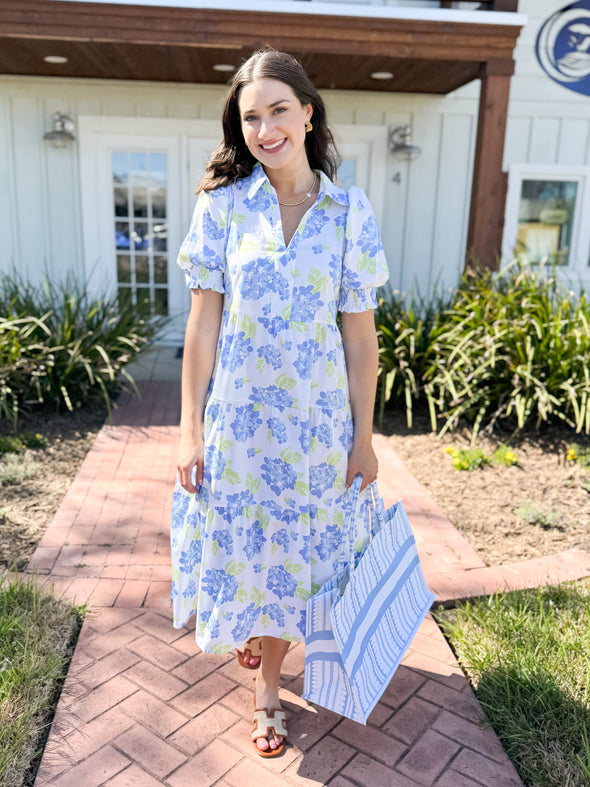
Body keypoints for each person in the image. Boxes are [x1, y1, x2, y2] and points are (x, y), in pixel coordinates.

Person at [170, 47, 388, 758]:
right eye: (251, 116)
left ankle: (268, 657)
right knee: (250, 555)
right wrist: (188, 426)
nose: (266, 129)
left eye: (278, 111)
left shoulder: (350, 213)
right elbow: (202, 326)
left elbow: (360, 338)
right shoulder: (223, 209)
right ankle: (267, 688)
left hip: (318, 430)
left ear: (308, 112)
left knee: (299, 559)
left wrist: (365, 434)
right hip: (240, 426)